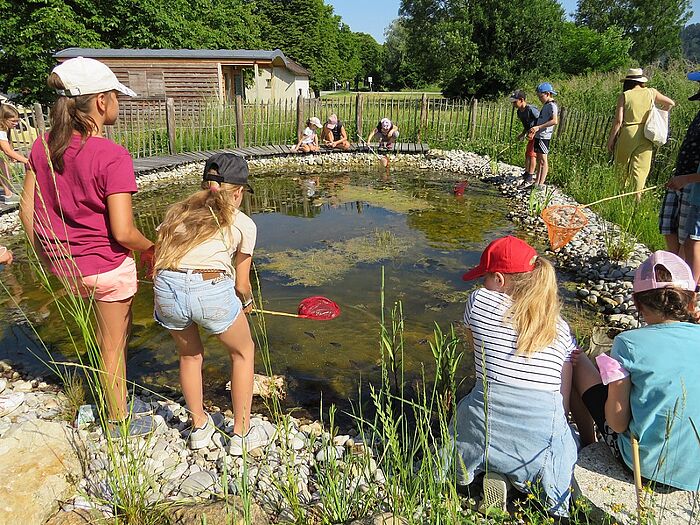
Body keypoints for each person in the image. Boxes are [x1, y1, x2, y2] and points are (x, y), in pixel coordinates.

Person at [19, 57, 155, 437]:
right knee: (113, 347)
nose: (117, 103)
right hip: (107, 268)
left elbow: (28, 211)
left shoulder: (41, 146)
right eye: (115, 96)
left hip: (65, 267)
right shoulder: (112, 155)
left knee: (95, 338)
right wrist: (152, 249)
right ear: (100, 102)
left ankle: (105, 401)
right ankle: (119, 420)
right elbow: (124, 231)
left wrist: (48, 256)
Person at [448, 236, 577, 517]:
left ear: (499, 280)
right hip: (538, 445)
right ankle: (523, 483)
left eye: (484, 278)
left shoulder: (479, 301)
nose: (481, 284)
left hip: (485, 430)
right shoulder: (561, 328)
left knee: (467, 411)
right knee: (561, 438)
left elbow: (476, 354)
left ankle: (487, 471)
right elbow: (563, 405)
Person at [153, 153, 271, 454]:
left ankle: (199, 428)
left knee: (190, 356)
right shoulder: (243, 222)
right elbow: (242, 285)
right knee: (243, 352)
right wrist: (246, 304)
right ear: (239, 191)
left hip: (167, 286)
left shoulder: (178, 212)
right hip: (209, 287)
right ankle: (241, 434)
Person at [574, 251, 700, 491]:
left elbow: (618, 422)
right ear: (691, 301)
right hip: (695, 473)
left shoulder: (628, 343)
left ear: (638, 304)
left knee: (577, 360)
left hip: (647, 466)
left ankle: (586, 443)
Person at [607, 68, 675, 197]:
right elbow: (670, 103)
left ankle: (619, 195)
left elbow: (618, 121)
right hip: (646, 133)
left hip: (629, 132)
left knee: (622, 166)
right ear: (641, 80)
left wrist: (611, 140)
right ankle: (637, 198)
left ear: (627, 82)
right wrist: (660, 113)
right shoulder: (651, 93)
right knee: (641, 169)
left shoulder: (625, 95)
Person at [659, 71, 700, 255]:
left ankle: (687, 275)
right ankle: (676, 262)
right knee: (667, 223)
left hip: (693, 183)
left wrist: (687, 179)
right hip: (681, 176)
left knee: (689, 236)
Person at [528, 83, 559, 186]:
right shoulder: (545, 105)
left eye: (541, 96)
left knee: (543, 160)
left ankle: (541, 183)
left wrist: (539, 127)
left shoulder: (552, 106)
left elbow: (554, 121)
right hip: (539, 135)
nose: (540, 99)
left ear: (548, 94)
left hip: (544, 136)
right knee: (539, 159)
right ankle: (536, 182)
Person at [0, 104, 30, 204]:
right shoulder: (0, 130)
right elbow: (7, 151)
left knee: (2, 163)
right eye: (13, 121)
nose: (16, 123)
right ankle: (8, 194)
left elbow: (7, 144)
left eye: (17, 120)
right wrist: (27, 161)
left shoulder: (5, 128)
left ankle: (8, 193)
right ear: (3, 119)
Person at [509, 90, 540, 185]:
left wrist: (534, 131)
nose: (513, 104)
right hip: (529, 134)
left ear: (521, 100)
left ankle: (530, 176)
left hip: (537, 134)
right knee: (527, 154)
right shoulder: (519, 112)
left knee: (532, 154)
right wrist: (522, 134)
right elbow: (526, 125)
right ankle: (527, 173)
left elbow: (540, 120)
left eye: (515, 102)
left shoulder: (531, 109)